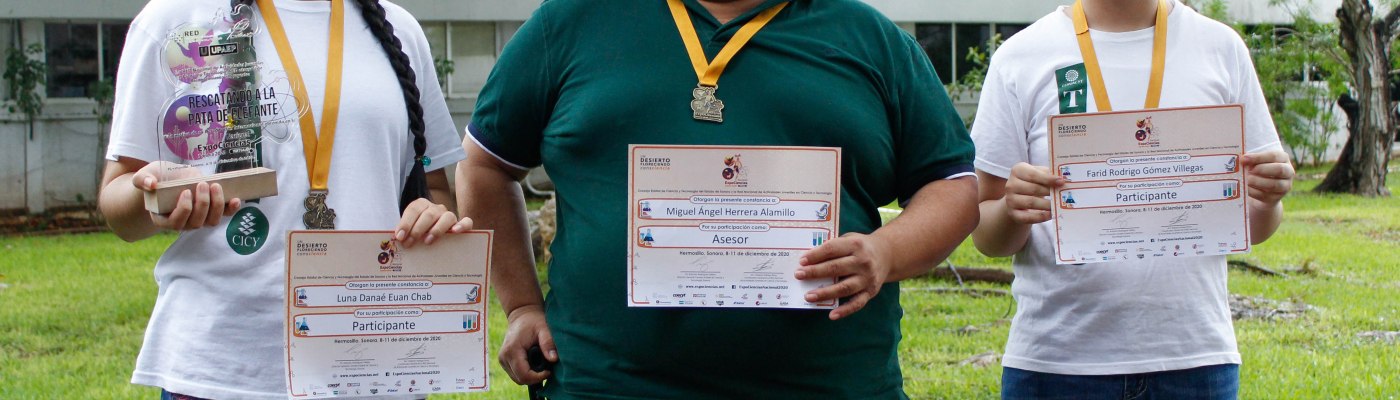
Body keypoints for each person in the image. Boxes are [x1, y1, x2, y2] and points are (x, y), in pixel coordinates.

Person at [459, 0, 979, 398]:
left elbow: (951, 185)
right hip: (607, 383)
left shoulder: (869, 38)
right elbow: (486, 165)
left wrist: (886, 252)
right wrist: (522, 306)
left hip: (831, 383)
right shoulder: (570, 23)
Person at [97, 0, 467, 398]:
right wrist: (153, 193)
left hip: (373, 365)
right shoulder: (174, 18)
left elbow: (435, 190)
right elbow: (118, 204)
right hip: (225, 370)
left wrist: (431, 216)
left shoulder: (399, 29)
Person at [968, 0, 1296, 398]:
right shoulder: (1021, 56)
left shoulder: (1220, 47)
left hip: (1194, 359)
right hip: (1057, 361)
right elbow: (987, 236)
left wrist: (1268, 198)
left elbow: (1255, 225)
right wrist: (1011, 210)